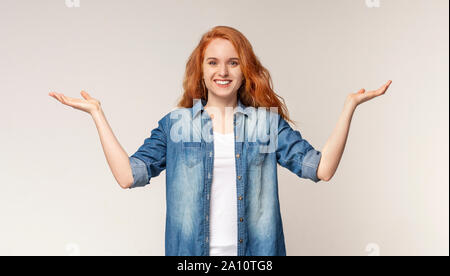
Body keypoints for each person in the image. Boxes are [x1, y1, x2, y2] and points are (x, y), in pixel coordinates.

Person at [48, 25, 392, 256]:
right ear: (201, 69)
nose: (222, 72)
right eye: (213, 62)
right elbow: (127, 175)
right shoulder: (176, 125)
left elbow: (321, 168)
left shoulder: (265, 124)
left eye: (233, 63)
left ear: (245, 70)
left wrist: (349, 108)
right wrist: (97, 113)